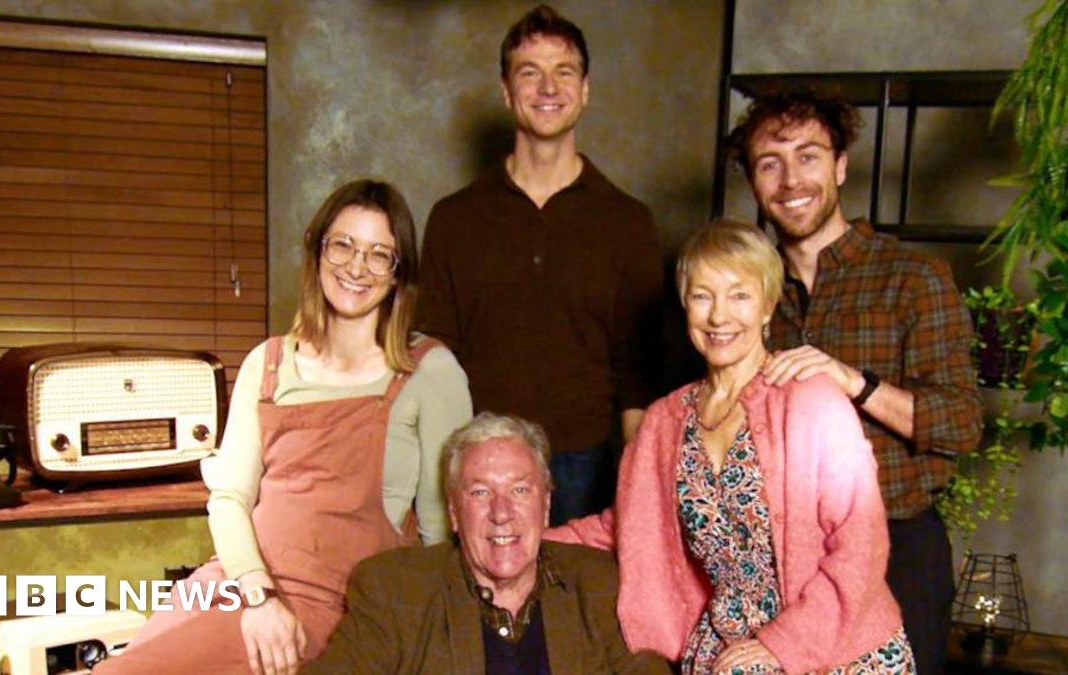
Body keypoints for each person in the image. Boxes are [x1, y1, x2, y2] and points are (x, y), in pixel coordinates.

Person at [95, 180, 472, 675]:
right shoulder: (267, 362)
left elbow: (441, 535)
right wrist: (258, 596)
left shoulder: (430, 370)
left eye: (380, 254)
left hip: (347, 605)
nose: (357, 267)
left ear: (400, 275)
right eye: (343, 245)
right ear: (317, 250)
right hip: (242, 583)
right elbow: (229, 499)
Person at [548, 219, 914, 674]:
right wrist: (521, 541)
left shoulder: (810, 398)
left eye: (739, 295)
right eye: (703, 296)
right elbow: (627, 524)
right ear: (685, 305)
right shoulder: (665, 420)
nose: (719, 316)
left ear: (767, 306)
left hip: (837, 645)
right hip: (728, 647)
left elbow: (862, 545)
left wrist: (784, 645)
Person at [727, 91, 981, 675]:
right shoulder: (745, 291)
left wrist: (855, 383)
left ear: (841, 165)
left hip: (897, 547)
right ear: (752, 181)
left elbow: (962, 424)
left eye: (809, 156)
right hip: (786, 556)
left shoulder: (912, 277)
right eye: (770, 163)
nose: (791, 180)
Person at [416, 4, 663, 526]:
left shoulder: (629, 221)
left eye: (563, 72)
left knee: (572, 605)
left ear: (585, 90)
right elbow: (433, 358)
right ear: (507, 93)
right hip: (480, 459)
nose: (548, 87)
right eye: (530, 73)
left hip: (585, 462)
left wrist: (640, 489)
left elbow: (637, 374)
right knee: (475, 604)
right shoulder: (454, 218)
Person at [311, 412, 670, 674]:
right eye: (480, 492)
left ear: (545, 505)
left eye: (519, 490)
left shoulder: (598, 583)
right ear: (454, 511)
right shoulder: (396, 590)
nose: (502, 512)